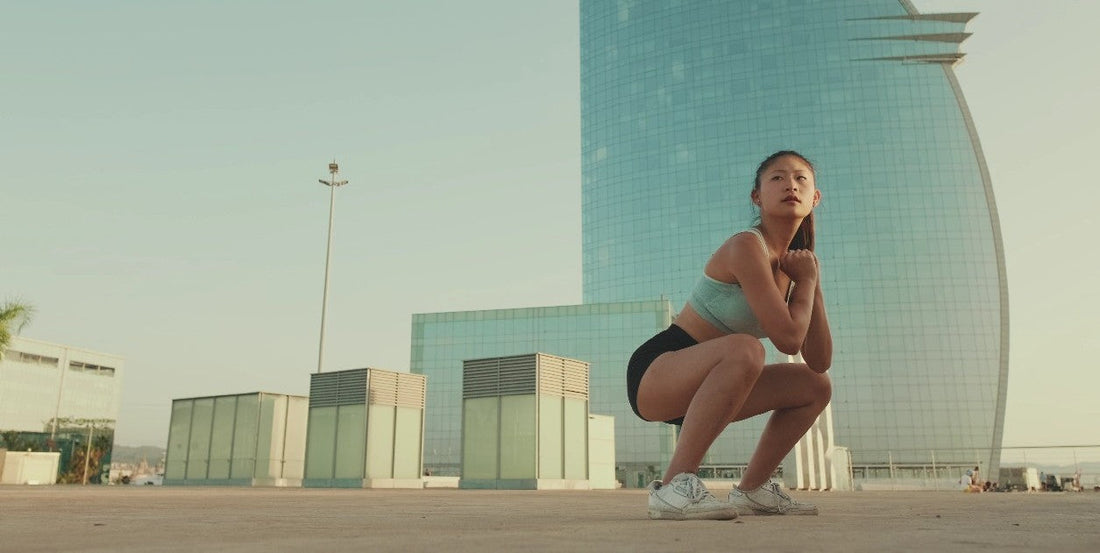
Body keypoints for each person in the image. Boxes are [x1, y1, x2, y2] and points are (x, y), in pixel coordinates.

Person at [627, 150, 832, 520]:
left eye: (801, 178)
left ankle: (753, 490)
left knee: (815, 386)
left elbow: (818, 360)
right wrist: (808, 281)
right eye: (777, 178)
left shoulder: (797, 266)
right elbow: (788, 340)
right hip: (658, 372)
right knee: (747, 349)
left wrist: (809, 281)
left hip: (714, 388)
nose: (790, 185)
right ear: (757, 197)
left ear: (815, 197)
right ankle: (674, 487)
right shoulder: (746, 246)